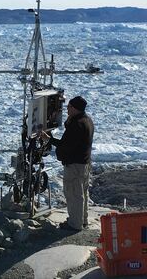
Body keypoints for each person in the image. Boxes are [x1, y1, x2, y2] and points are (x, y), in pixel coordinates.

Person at [42, 96, 94, 231]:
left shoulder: (77, 125)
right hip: (84, 163)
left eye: (69, 107)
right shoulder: (87, 120)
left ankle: (74, 224)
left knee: (74, 194)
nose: (67, 109)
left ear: (75, 108)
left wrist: (49, 140)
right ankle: (82, 220)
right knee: (82, 193)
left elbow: (66, 145)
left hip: (75, 164)